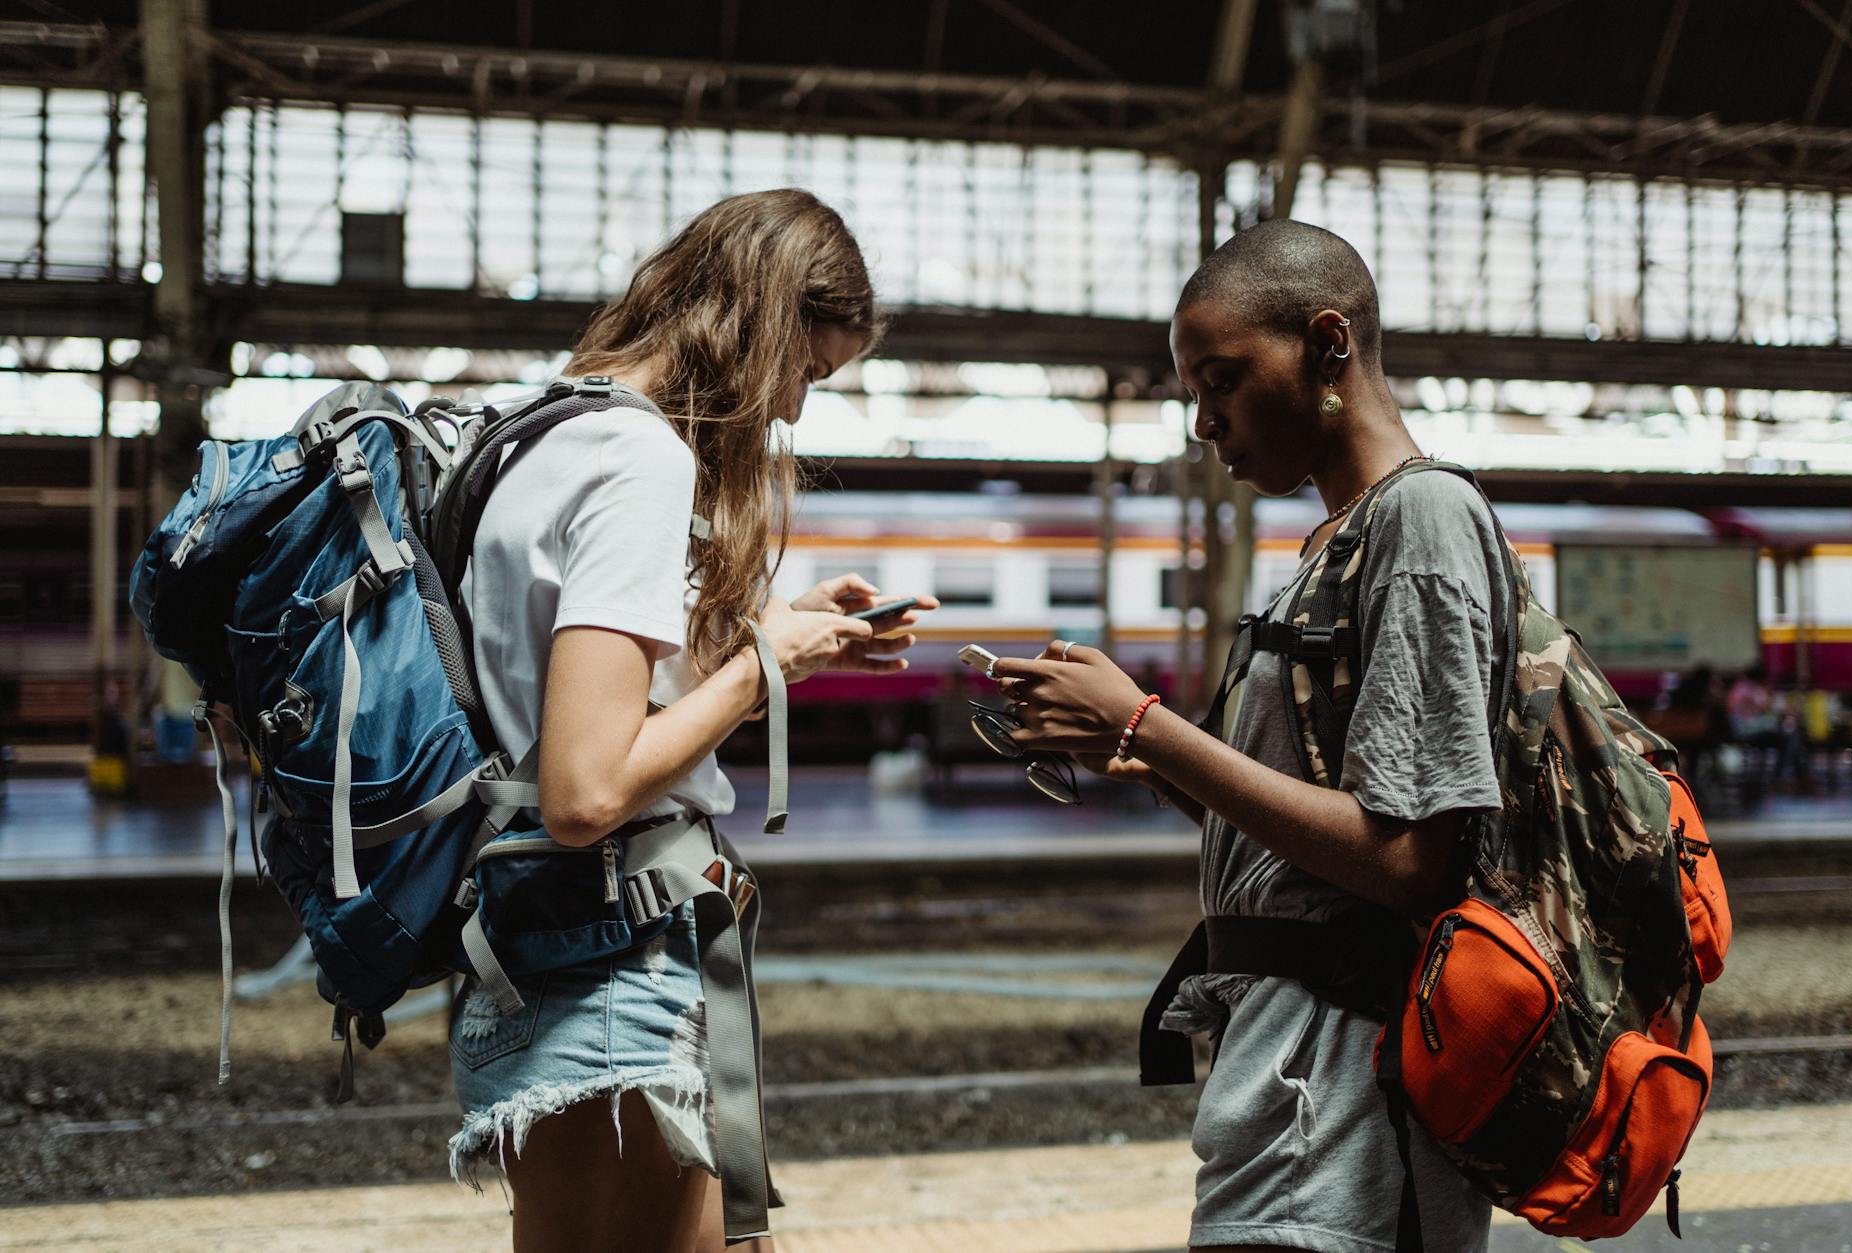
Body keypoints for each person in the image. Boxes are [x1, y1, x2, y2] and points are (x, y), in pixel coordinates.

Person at [992, 219, 1499, 1252]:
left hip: (1348, 1112)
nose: (1202, 422)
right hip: (1288, 1096)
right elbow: (1305, 844)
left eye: (1219, 380)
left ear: (1326, 345)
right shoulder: (1336, 541)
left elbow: (1405, 856)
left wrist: (1145, 721)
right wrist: (1132, 752)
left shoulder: (1421, 520)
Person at [447, 189, 937, 1252]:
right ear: (762, 320)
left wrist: (763, 630)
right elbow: (585, 789)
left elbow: (569, 699)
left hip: (560, 938)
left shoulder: (546, 425)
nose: (797, 409)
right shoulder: (642, 460)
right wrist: (767, 665)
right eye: (806, 368)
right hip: (605, 949)